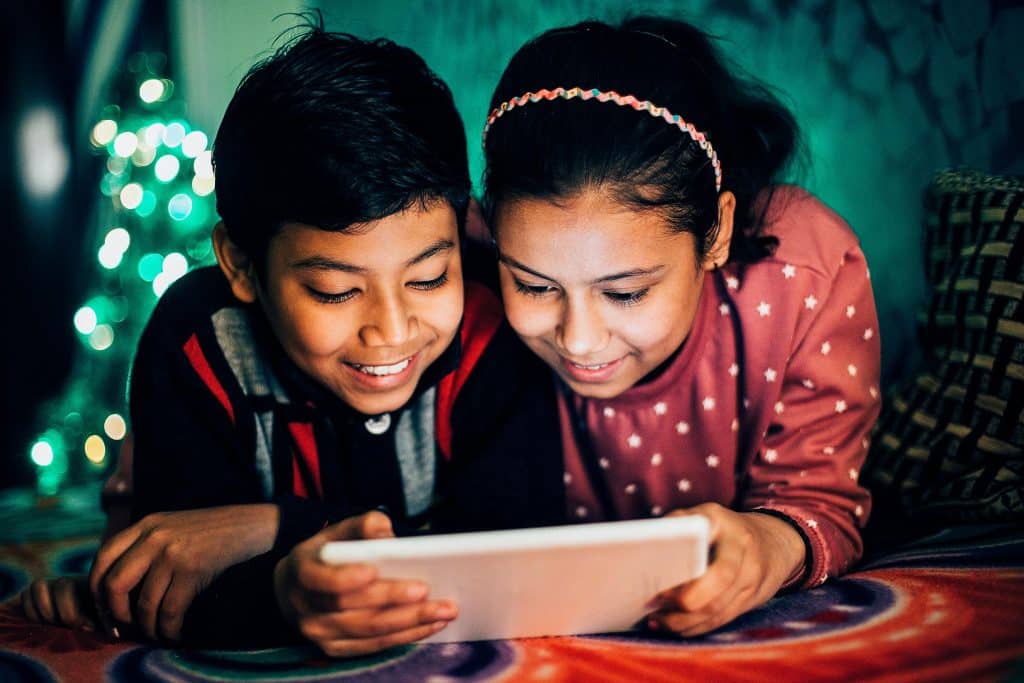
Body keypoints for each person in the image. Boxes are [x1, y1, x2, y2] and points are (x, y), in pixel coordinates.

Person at [19, 19, 562, 656]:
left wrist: (263, 528)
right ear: (242, 265)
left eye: (429, 277)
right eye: (334, 291)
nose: (390, 330)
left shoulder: (493, 323)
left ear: (463, 229)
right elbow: (171, 592)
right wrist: (282, 590)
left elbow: (514, 558)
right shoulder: (198, 343)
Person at [480, 17, 881, 636]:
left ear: (716, 232)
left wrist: (767, 544)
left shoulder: (804, 272)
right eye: (533, 286)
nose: (579, 340)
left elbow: (821, 502)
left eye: (628, 291)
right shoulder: (453, 275)